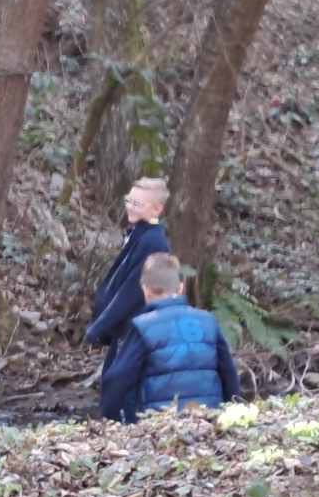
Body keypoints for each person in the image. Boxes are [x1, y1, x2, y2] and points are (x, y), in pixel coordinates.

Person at [99, 253, 241, 422]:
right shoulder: (208, 321)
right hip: (208, 420)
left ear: (145, 289)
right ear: (180, 288)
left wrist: (111, 418)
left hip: (160, 424)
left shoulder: (142, 326)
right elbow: (229, 375)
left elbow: (117, 379)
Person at [86, 177, 172, 419]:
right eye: (129, 201)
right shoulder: (138, 235)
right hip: (123, 328)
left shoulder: (154, 241)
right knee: (112, 381)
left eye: (138, 204)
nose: (131, 207)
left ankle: (121, 425)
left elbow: (131, 292)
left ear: (156, 209)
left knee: (120, 384)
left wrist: (99, 326)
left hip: (135, 327)